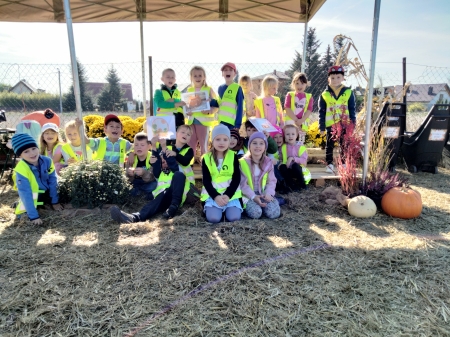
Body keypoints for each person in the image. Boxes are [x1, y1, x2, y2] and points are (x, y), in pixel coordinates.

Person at [110, 125, 194, 223]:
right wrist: (154, 147)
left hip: (177, 195)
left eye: (188, 134)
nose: (165, 159)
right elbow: (156, 161)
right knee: (156, 201)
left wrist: (165, 148)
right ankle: (134, 218)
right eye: (183, 132)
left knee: (178, 175)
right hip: (163, 196)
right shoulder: (160, 172)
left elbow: (176, 163)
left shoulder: (176, 168)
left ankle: (173, 208)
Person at [11, 133, 63, 225]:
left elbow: (53, 182)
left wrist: (55, 202)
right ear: (20, 155)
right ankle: (19, 204)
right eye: (26, 151)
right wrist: (34, 216)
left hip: (46, 192)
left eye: (34, 148)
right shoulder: (21, 170)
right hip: (32, 196)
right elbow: (25, 193)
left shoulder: (47, 161)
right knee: (22, 213)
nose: (32, 153)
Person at [201, 124, 243, 224]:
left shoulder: (233, 156)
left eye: (225, 139)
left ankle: (227, 209)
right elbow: (206, 181)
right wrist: (216, 196)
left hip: (230, 195)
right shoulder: (206, 158)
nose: (221, 142)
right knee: (213, 219)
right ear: (212, 140)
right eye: (218, 139)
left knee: (234, 217)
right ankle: (217, 210)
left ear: (229, 141)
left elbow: (236, 179)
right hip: (213, 195)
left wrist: (228, 195)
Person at [318, 65, 356, 173]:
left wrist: (353, 124)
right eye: (332, 78)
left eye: (338, 77)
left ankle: (343, 163)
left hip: (345, 124)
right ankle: (329, 164)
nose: (335, 80)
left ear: (343, 78)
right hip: (331, 125)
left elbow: (352, 109)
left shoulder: (349, 92)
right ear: (328, 79)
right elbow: (322, 111)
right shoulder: (324, 94)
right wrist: (321, 126)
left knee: (344, 145)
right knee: (329, 145)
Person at [239, 132, 280, 219]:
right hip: (248, 195)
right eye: (254, 143)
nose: (258, 146)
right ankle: (251, 205)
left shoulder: (268, 162)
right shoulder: (242, 162)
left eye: (261, 143)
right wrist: (253, 196)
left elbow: (271, 181)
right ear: (249, 146)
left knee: (274, 213)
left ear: (265, 147)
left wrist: (268, 193)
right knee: (256, 213)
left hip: (263, 194)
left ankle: (268, 202)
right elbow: (243, 184)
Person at [185, 66, 217, 160]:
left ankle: (205, 163)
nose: (198, 78)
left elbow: (216, 105)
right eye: (195, 76)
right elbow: (187, 106)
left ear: (204, 77)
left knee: (203, 144)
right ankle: (190, 163)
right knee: (190, 143)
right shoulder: (189, 90)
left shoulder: (208, 89)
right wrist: (187, 112)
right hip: (191, 121)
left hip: (203, 122)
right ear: (191, 78)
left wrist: (209, 110)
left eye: (200, 75)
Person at [210, 62, 244, 130]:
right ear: (222, 74)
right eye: (225, 70)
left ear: (235, 73)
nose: (228, 71)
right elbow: (220, 103)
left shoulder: (237, 88)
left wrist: (238, 125)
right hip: (221, 122)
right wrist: (210, 101)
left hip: (232, 124)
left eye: (231, 70)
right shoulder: (220, 88)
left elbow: (240, 107)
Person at [278, 124, 311, 193]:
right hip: (288, 170)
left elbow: (304, 161)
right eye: (287, 134)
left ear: (296, 135)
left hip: (299, 170)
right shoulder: (283, 147)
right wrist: (280, 162)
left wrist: (293, 158)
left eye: (293, 134)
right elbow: (280, 157)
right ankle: (292, 185)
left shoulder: (301, 147)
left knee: (295, 165)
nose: (290, 136)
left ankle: (302, 184)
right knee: (282, 167)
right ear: (284, 136)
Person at [284, 72, 314, 145]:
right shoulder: (290, 95)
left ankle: (299, 156)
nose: (299, 86)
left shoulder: (309, 97)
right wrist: (296, 120)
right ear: (293, 84)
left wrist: (301, 120)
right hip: (291, 123)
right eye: (297, 83)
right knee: (289, 141)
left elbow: (309, 109)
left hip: (302, 124)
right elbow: (287, 108)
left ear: (306, 84)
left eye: (302, 83)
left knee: (300, 142)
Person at [126, 132, 157, 200]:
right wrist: (129, 174)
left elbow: (153, 177)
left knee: (154, 185)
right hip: (135, 182)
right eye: (136, 145)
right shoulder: (131, 157)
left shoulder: (152, 157)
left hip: (148, 182)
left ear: (149, 146)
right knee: (127, 186)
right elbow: (127, 177)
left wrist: (144, 173)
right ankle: (142, 194)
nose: (139, 147)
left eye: (142, 145)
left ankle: (138, 193)